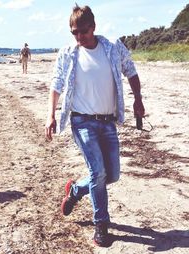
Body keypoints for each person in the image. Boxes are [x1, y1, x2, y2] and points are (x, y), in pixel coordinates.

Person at [45, 5, 145, 247]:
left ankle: (76, 191)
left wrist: (138, 99)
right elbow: (56, 84)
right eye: (74, 33)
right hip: (81, 121)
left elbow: (131, 71)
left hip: (107, 121)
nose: (79, 37)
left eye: (83, 32)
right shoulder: (68, 53)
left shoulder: (112, 47)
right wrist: (51, 115)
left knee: (112, 175)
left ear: (94, 27)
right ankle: (101, 225)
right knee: (98, 172)